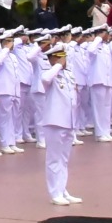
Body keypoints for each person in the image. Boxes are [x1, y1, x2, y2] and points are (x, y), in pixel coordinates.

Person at [36, 43, 82, 206]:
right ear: (54, 58)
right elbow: (45, 79)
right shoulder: (48, 74)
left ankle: (62, 190)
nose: (65, 60)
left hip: (68, 121)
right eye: (61, 57)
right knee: (54, 159)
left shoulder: (68, 74)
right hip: (54, 121)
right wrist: (57, 65)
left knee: (64, 159)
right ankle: (55, 193)